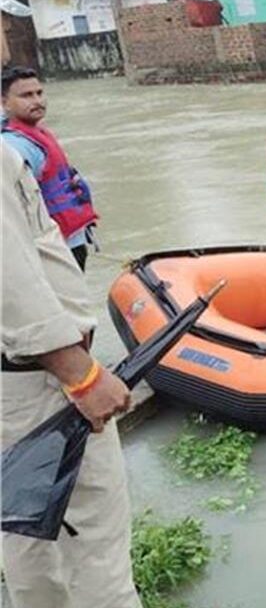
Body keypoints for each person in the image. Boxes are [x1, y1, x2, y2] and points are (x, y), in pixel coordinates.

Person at [1, 139, 141, 608]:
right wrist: (80, 374)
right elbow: (10, 278)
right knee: (95, 545)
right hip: (38, 382)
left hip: (16, 380)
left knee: (26, 532)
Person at [2, 66, 99, 272]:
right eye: (26, 95)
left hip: (68, 239)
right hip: (52, 249)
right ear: (4, 103)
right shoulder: (16, 146)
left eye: (39, 93)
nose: (37, 100)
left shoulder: (35, 133)